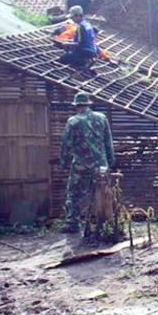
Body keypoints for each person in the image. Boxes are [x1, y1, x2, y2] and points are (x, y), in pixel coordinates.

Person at [60, 93, 116, 234]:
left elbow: (66, 145)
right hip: (102, 165)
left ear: (76, 106)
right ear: (88, 104)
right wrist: (110, 162)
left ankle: (73, 223)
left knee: (74, 193)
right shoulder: (102, 118)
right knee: (103, 193)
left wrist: (64, 164)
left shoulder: (73, 121)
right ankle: (107, 222)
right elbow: (108, 143)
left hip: (81, 166)